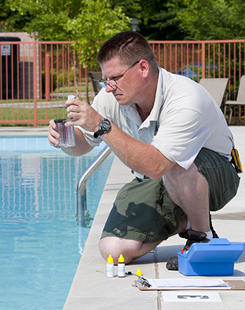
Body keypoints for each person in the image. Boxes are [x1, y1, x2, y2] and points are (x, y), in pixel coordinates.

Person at [48, 31, 240, 270]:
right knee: (114, 252)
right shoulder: (112, 97)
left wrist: (102, 125)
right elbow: (84, 144)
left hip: (215, 177)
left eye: (114, 78)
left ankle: (202, 235)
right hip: (158, 177)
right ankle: (183, 219)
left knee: (175, 164)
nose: (108, 88)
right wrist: (65, 140)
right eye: (105, 80)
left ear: (143, 68)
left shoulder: (186, 98)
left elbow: (157, 165)